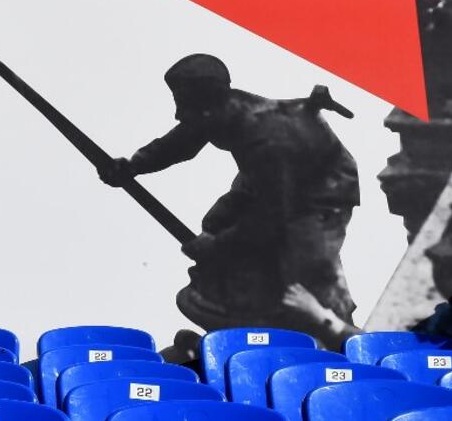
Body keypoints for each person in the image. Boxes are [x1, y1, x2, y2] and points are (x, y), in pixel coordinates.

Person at [99, 54, 359, 337]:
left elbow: (272, 217)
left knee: (305, 261)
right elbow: (181, 142)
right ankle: (245, 306)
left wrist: (216, 247)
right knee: (219, 221)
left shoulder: (265, 137)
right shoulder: (215, 113)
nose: (178, 114)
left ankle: (332, 330)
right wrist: (133, 166)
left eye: (183, 105)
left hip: (321, 190)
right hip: (266, 176)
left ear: (210, 104)